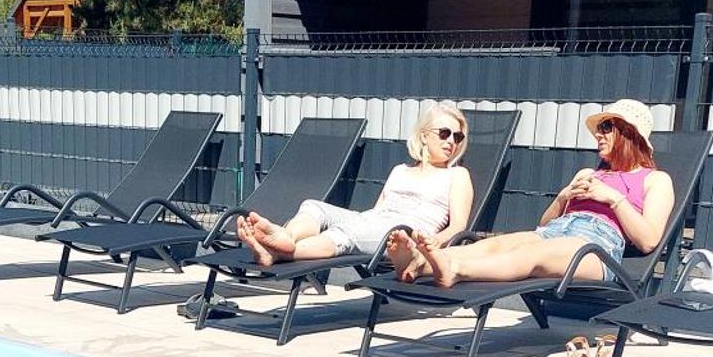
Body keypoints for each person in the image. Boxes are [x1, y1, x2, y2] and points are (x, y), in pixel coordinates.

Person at [390, 99, 673, 288]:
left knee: (532, 253)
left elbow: (648, 241)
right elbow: (546, 223)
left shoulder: (656, 180)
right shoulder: (589, 174)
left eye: (606, 128)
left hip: (596, 246)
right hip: (557, 231)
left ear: (628, 134)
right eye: (599, 128)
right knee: (496, 244)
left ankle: (455, 270)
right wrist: (563, 197)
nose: (598, 134)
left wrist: (613, 198)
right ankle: (420, 264)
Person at [235, 104, 476, 266]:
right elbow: (377, 211)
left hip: (403, 236)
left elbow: (458, 227)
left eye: (458, 137)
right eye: (444, 133)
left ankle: (279, 253)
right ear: (424, 135)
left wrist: (433, 243)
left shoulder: (457, 176)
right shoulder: (400, 171)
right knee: (314, 206)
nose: (451, 142)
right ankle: (286, 235)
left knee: (346, 233)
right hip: (375, 222)